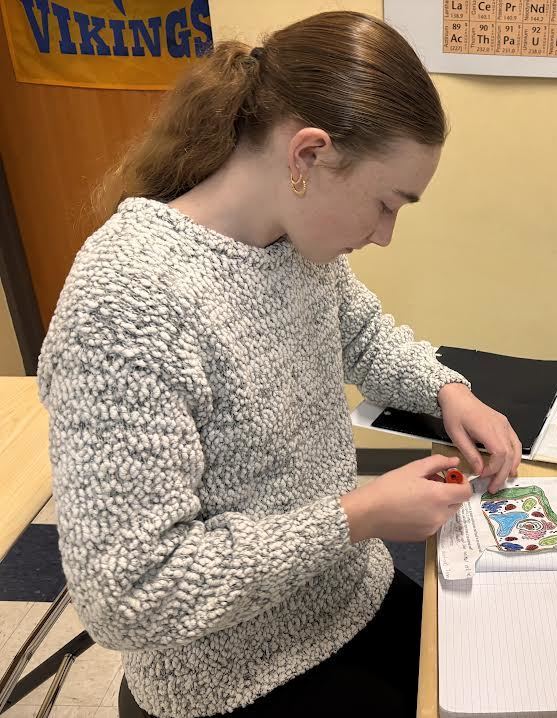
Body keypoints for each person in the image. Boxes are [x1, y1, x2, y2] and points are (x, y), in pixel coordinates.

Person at [37, 11, 521, 718]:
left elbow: (364, 336)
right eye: (386, 204)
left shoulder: (292, 244)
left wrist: (447, 388)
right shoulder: (127, 298)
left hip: (347, 594)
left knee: (500, 672)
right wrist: (359, 516)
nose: (384, 236)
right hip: (229, 676)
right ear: (307, 156)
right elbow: (130, 597)